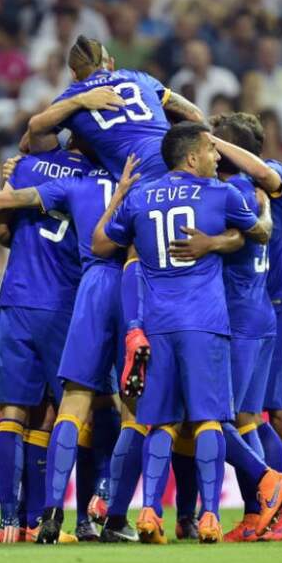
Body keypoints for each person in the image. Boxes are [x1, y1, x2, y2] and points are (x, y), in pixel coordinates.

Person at [91, 122, 282, 545]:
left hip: (156, 325)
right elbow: (260, 232)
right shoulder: (220, 194)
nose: (217, 158)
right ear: (192, 156)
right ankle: (211, 518)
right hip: (204, 321)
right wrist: (223, 238)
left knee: (160, 421)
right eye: (211, 151)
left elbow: (101, 245)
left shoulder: (142, 195)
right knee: (209, 421)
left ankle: (148, 511)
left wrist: (121, 197)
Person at [25, 35, 204, 411]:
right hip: (177, 164)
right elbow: (195, 117)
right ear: (110, 61)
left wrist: (77, 100)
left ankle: (137, 329)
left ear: (74, 73)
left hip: (138, 176)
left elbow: (32, 138)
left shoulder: (73, 102)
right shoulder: (139, 78)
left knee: (126, 246)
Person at [0, 148, 133, 543]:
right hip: (68, 302)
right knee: (77, 406)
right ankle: (68, 515)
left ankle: (10, 524)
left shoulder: (29, 165)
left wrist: (9, 178)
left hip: (17, 296)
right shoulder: (103, 173)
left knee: (13, 413)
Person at [202, 111, 282, 541]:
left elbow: (273, 176)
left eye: (216, 144)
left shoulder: (259, 177)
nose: (211, 151)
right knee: (280, 418)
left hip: (269, 307)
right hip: (275, 308)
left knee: (244, 417)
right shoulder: (261, 182)